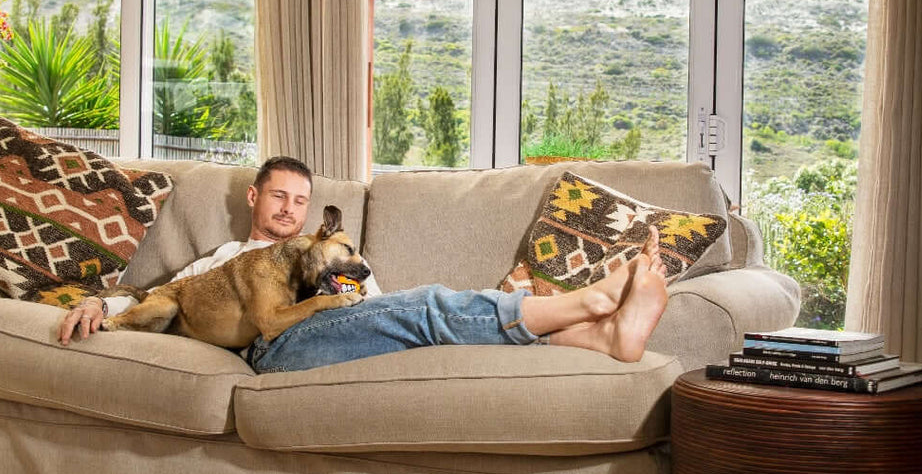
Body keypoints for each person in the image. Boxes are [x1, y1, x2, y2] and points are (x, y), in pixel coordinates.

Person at [59, 155, 669, 372]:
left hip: (358, 326)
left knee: (424, 315)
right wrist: (103, 303)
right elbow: (163, 294)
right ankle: (589, 303)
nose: (289, 210)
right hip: (276, 349)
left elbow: (378, 306)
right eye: (278, 197)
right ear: (254, 198)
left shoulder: (331, 259)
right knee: (428, 305)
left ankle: (597, 335)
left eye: (300, 201)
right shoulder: (229, 257)